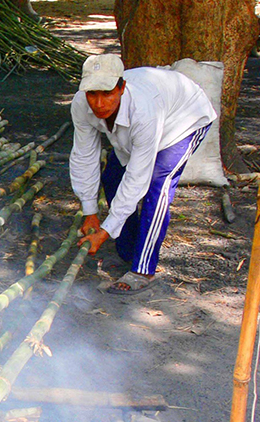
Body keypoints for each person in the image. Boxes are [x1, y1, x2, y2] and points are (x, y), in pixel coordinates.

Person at [71, 54, 217, 294]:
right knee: (112, 178)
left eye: (107, 94)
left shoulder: (144, 110)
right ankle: (130, 250)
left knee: (157, 186)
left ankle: (142, 270)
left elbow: (139, 176)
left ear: (121, 88)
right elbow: (84, 154)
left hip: (183, 121)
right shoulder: (80, 105)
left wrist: (105, 231)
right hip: (140, 133)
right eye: (92, 94)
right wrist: (90, 212)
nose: (98, 104)